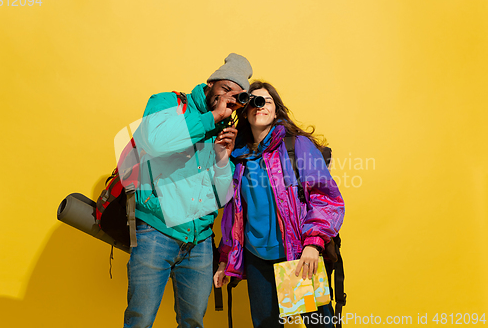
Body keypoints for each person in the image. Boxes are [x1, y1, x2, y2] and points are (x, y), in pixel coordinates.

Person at [123, 53, 253, 328]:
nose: (229, 99)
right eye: (225, 89)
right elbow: (155, 142)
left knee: (193, 323)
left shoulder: (225, 130)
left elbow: (220, 198)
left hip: (200, 242)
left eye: (237, 96)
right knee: (140, 320)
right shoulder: (168, 103)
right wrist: (211, 118)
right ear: (211, 84)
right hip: (157, 232)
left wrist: (222, 159)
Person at [214, 81, 345, 328]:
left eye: (266, 101)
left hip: (297, 254)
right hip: (257, 260)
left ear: (276, 110)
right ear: (244, 110)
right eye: (252, 101)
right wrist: (225, 258)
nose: (259, 106)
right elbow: (234, 215)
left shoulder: (296, 145)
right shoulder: (237, 155)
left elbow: (325, 197)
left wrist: (313, 244)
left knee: (319, 325)